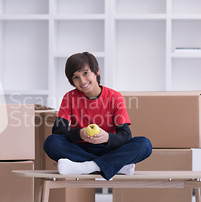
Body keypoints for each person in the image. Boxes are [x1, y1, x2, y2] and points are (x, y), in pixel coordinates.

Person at [44, 52, 152, 180]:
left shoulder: (115, 97)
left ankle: (87, 166)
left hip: (109, 148)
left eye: (85, 73)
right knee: (51, 142)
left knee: (144, 144)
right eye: (76, 77)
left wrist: (107, 137)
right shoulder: (69, 97)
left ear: (97, 71)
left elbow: (125, 136)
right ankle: (113, 165)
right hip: (80, 148)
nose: (82, 81)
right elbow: (58, 131)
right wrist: (80, 133)